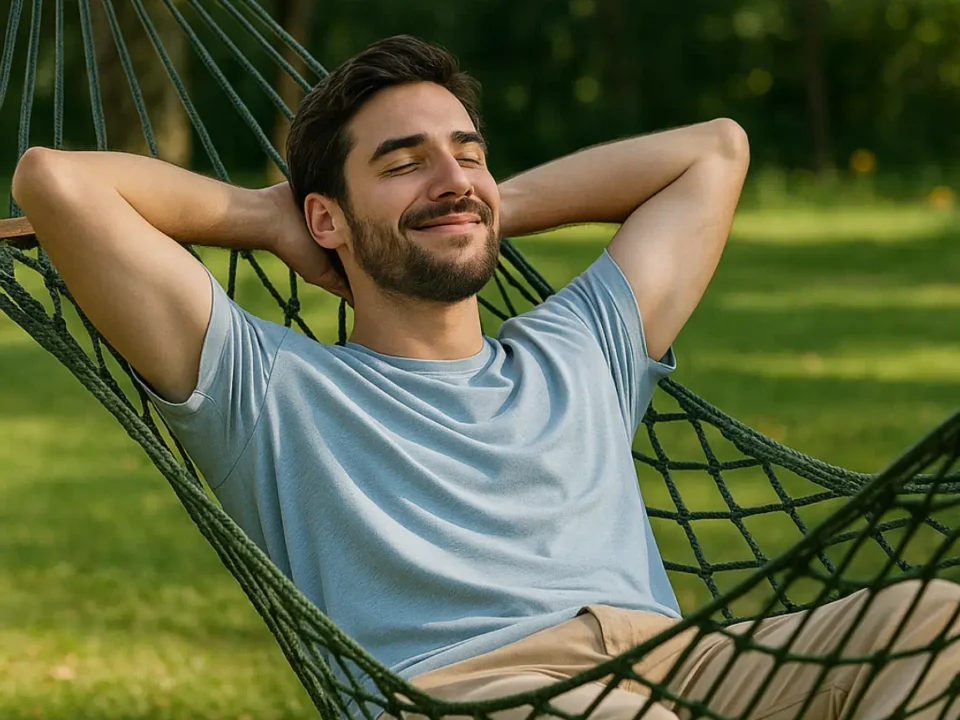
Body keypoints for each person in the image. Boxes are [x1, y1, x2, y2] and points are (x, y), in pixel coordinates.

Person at [11, 35, 960, 720]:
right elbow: (56, 184)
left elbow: (715, 151)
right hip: (477, 691)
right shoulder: (268, 390)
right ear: (326, 220)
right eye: (402, 163)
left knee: (938, 618)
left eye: (469, 153)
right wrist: (270, 217)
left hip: (683, 665)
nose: (452, 175)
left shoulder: (578, 343)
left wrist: (477, 204)